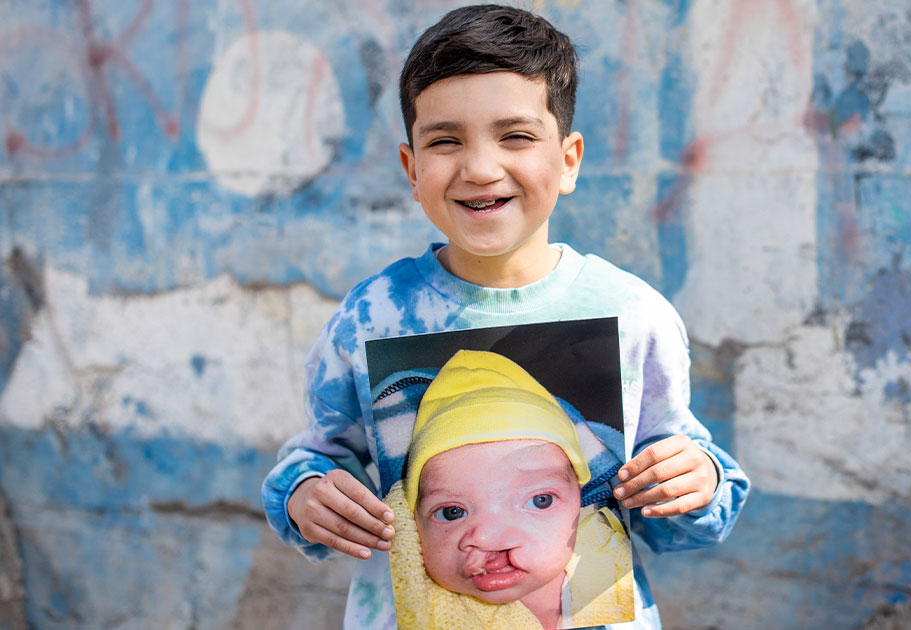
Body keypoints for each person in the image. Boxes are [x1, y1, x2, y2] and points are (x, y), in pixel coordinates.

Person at [261, 5, 750, 629]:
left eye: (515, 136)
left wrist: (695, 480)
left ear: (568, 159)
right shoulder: (371, 316)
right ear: (413, 169)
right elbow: (319, 456)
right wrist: (308, 491)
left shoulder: (632, 313)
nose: (481, 168)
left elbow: (681, 491)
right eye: (445, 140)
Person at [383, 349, 634, 629]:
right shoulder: (419, 606)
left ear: (581, 499)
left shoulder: (612, 553)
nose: (490, 538)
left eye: (540, 501)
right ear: (413, 522)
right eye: (453, 512)